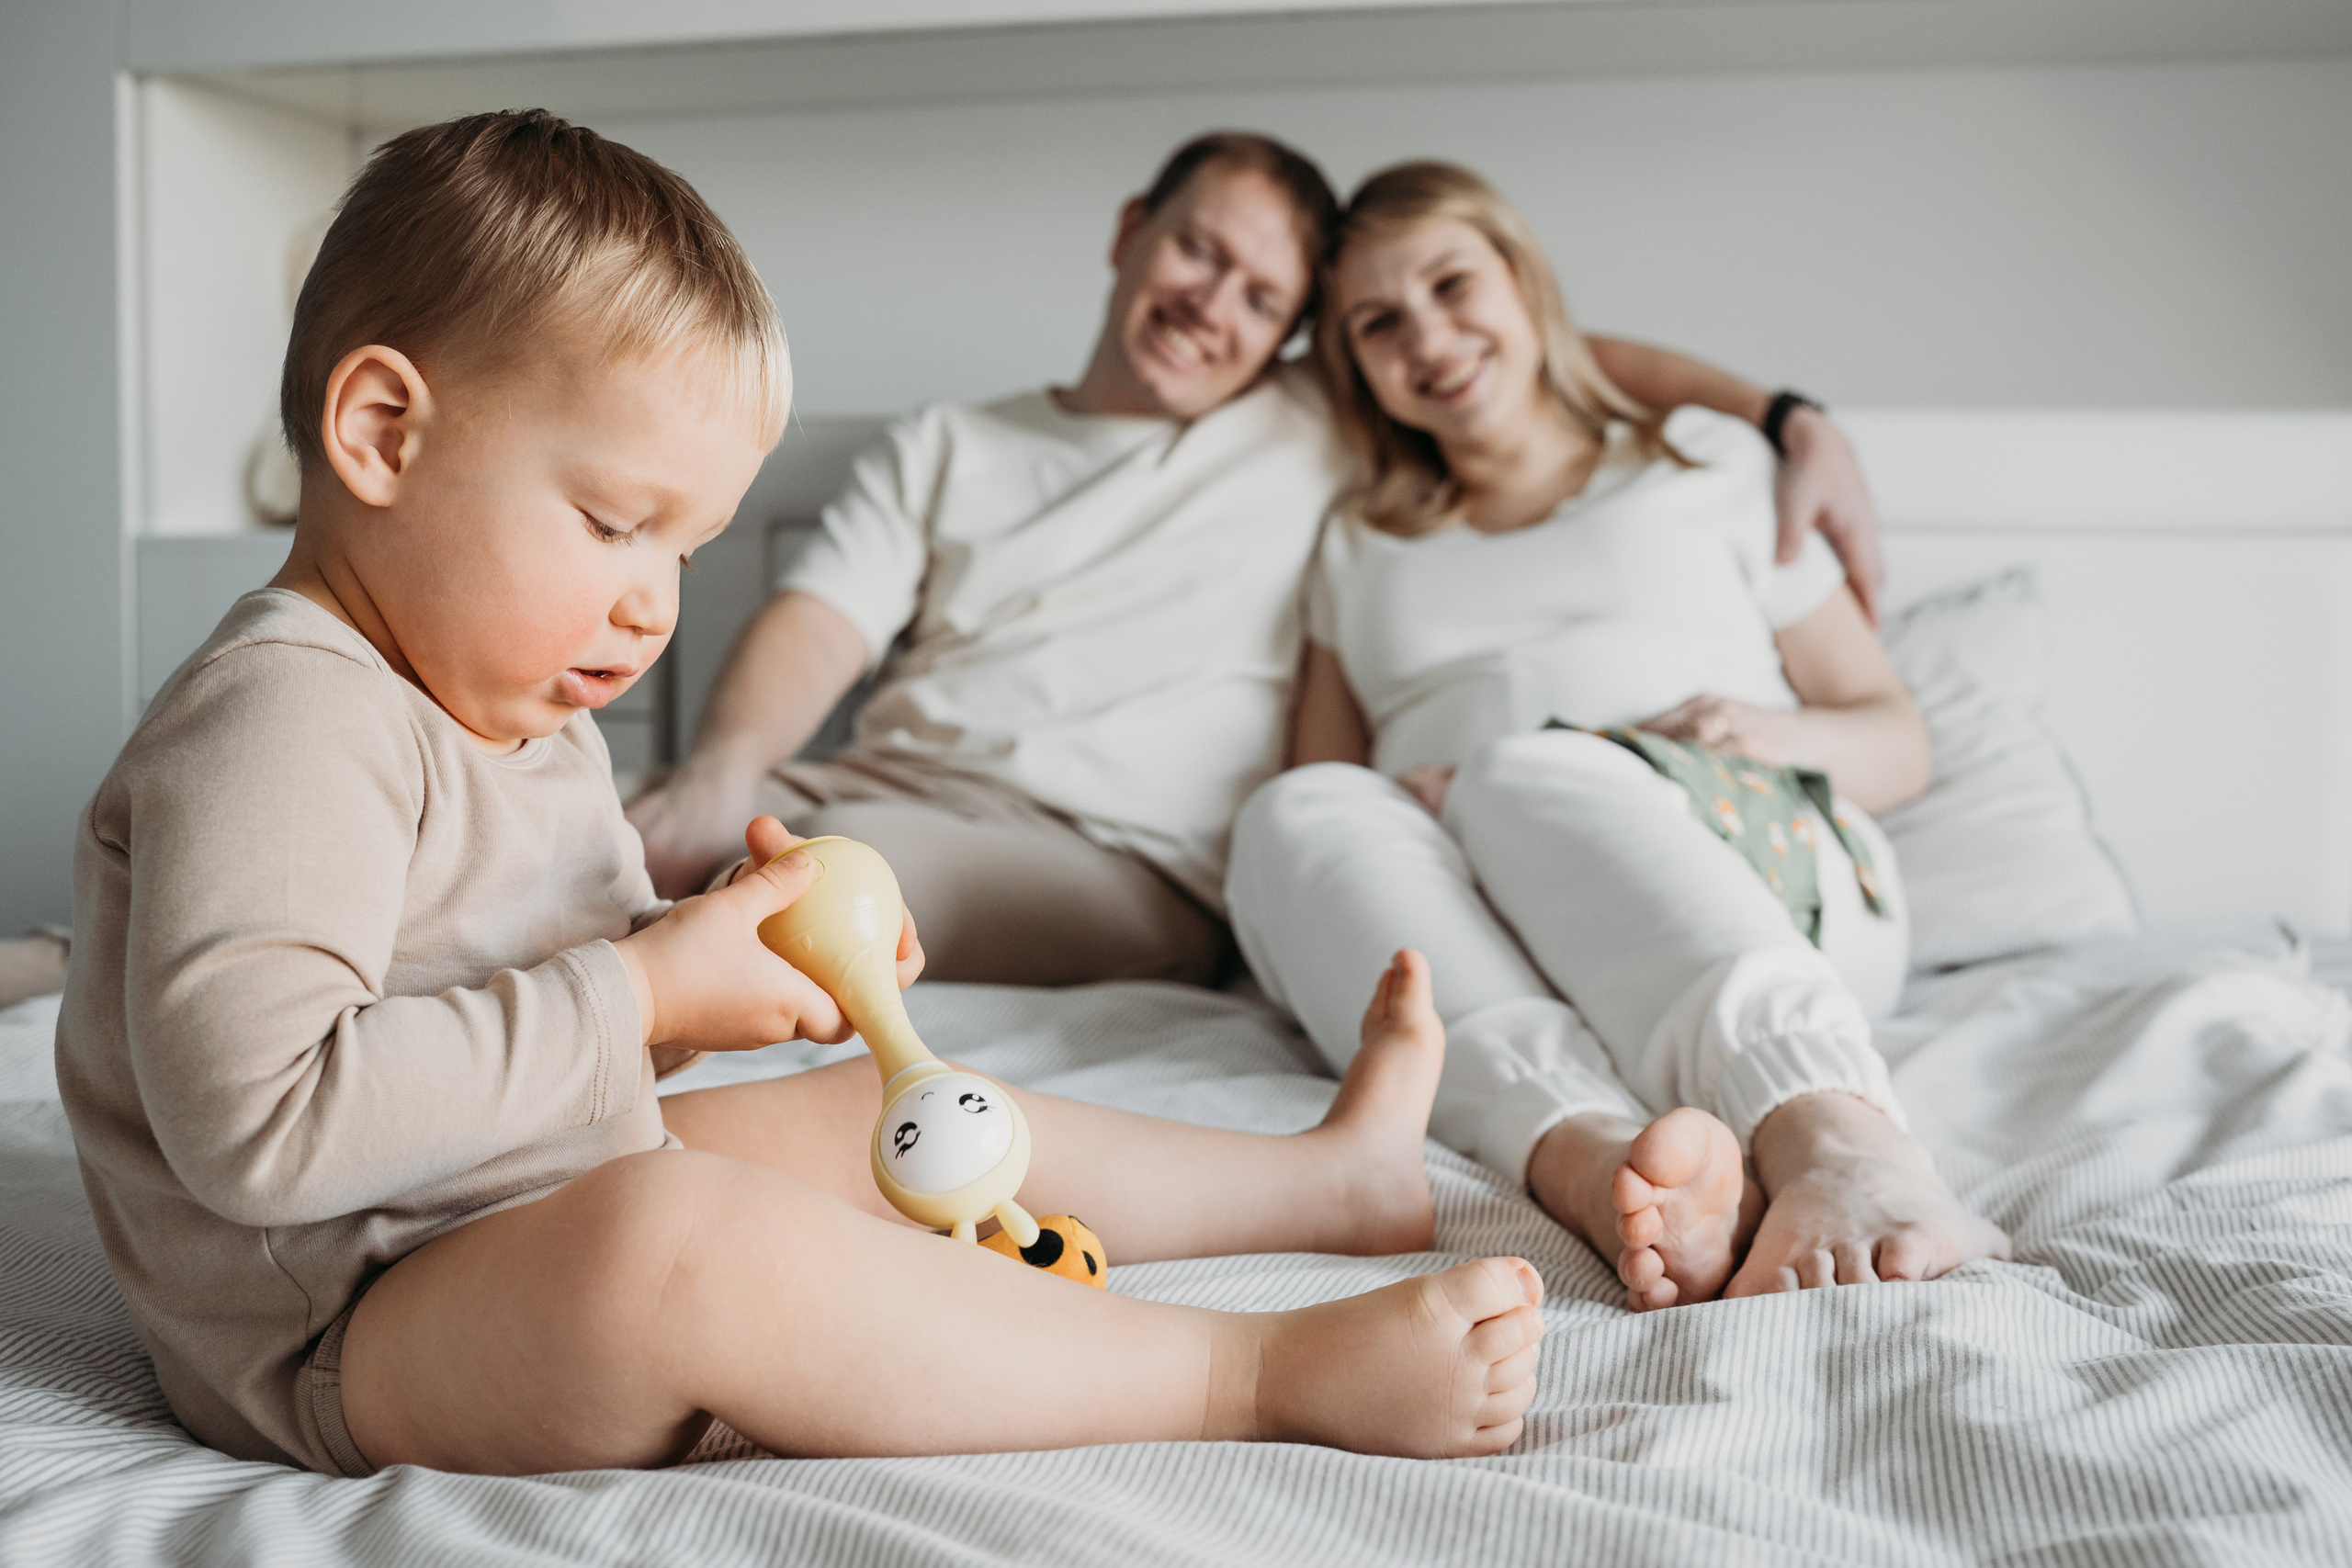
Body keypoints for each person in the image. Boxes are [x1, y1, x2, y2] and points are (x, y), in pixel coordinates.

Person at [52, 113, 1546, 1479]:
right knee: (679, 1238)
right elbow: (261, 1131)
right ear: (383, 431)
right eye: (614, 523)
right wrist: (639, 993)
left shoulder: (515, 690)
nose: (654, 611)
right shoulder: (285, 719)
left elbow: (560, 992)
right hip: (342, 1324)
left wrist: (714, 970)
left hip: (494, 1191)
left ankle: (1328, 1188)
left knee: (858, 1116)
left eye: (685, 552)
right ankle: (1252, 1375)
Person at [625, 130, 1893, 987]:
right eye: (1197, 252)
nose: (1213, 307)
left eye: (1261, 298)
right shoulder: (951, 441)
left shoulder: (1310, 415)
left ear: (1296, 336)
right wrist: (720, 768)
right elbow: (820, 616)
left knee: (802, 887)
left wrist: (1785, 415)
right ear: (1132, 230)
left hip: (1122, 862)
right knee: (597, 830)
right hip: (885, 785)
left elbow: (1546, 349)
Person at [1225, 163, 2012, 1312]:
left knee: (1525, 769)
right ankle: (1600, 1166)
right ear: (1352, 365)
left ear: (1525, 282)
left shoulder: (1702, 464)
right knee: (1288, 815)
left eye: (1452, 284)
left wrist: (1752, 731)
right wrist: (1410, 796)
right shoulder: (1357, 544)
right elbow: (1325, 788)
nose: (1429, 338)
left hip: (1737, 860)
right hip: (1481, 918)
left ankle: (1835, 1137)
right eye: (1378, 323)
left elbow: (1900, 742)